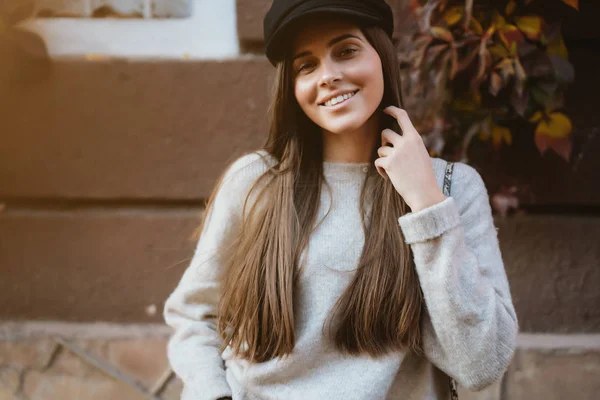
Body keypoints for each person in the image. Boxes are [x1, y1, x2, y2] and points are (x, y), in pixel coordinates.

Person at [163, 0, 519, 399]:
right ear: (291, 87)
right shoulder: (255, 183)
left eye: (346, 51)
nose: (328, 76)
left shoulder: (451, 190)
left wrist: (426, 206)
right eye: (306, 65)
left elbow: (480, 364)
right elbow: (195, 316)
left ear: (382, 55)